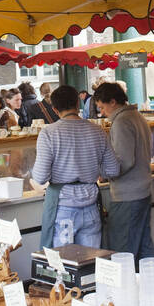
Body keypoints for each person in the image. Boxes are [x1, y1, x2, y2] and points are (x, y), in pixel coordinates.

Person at [29, 84, 119, 249]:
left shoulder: (49, 133)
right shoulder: (97, 131)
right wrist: (92, 168)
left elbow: (40, 177)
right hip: (92, 208)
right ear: (78, 104)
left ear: (55, 109)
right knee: (91, 262)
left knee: (65, 266)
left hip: (63, 210)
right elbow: (113, 170)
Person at [94, 82, 154, 260]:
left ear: (113, 102)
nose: (102, 112)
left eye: (102, 107)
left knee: (123, 249)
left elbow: (124, 161)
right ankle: (149, 285)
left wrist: (103, 173)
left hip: (127, 194)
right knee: (144, 244)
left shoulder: (121, 122)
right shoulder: (137, 116)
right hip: (143, 189)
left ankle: (126, 286)